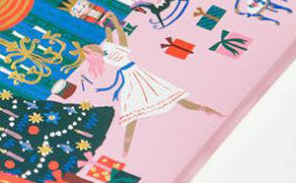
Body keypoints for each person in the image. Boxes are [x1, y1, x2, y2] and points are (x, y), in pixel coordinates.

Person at [84, 11, 221, 155]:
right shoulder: (106, 54)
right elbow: (114, 38)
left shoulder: (109, 48)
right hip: (129, 77)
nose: (93, 48)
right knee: (130, 108)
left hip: (137, 74)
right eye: (91, 50)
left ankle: (206, 109)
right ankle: (126, 147)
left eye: (91, 47)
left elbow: (118, 37)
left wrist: (114, 24)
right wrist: (112, 26)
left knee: (170, 95)